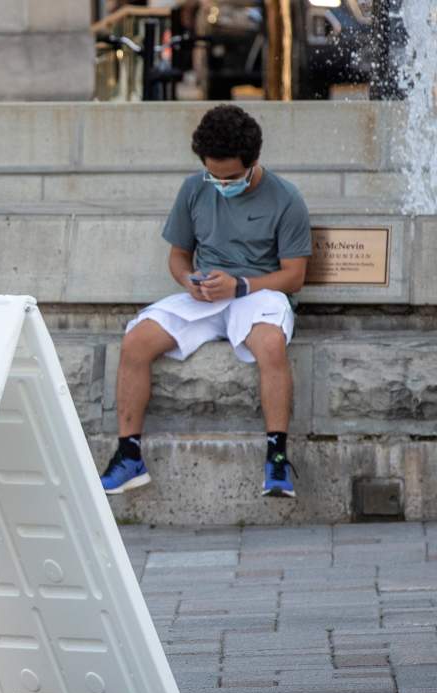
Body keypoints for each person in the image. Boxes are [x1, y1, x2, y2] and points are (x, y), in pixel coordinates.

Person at [100, 104, 311, 499]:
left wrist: (241, 286)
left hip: (257, 292)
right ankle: (128, 456)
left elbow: (294, 276)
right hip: (207, 293)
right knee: (136, 340)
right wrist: (188, 280)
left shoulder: (286, 198)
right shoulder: (195, 187)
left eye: (230, 178)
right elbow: (179, 256)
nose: (220, 183)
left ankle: (277, 458)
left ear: (253, 163)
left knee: (270, 344)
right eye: (213, 175)